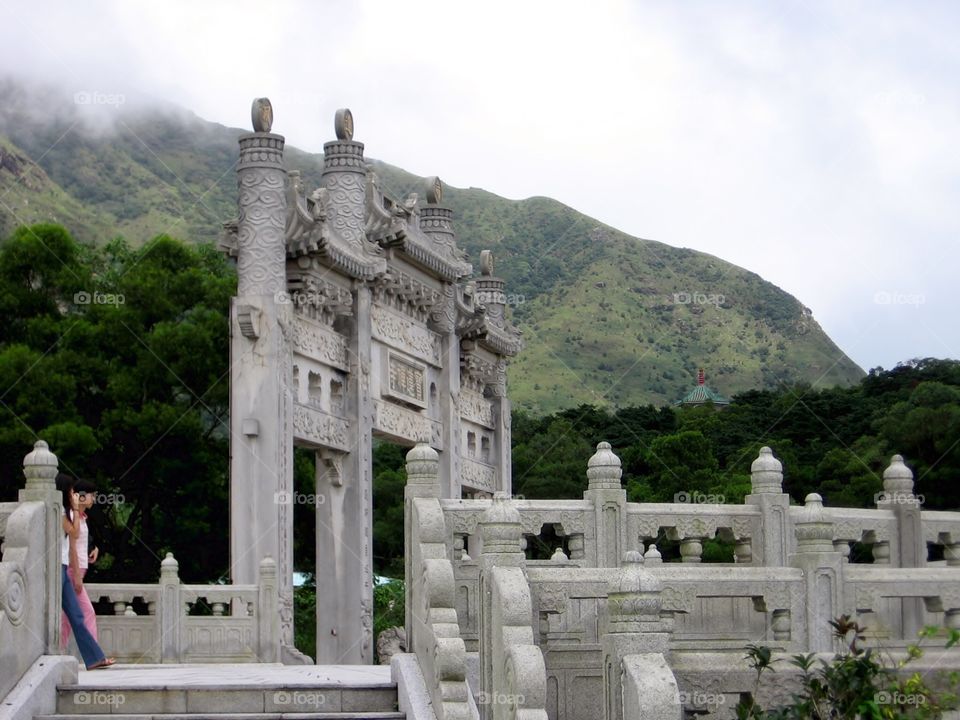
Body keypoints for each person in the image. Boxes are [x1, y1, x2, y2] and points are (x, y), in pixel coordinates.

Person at [58, 473, 115, 670]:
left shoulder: (80, 516)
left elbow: (79, 541)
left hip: (73, 568)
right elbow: (72, 541)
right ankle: (93, 657)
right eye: (91, 495)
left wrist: (94, 548)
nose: (93, 498)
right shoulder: (69, 514)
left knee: (71, 617)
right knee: (81, 614)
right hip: (70, 569)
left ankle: (66, 653)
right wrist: (75, 575)